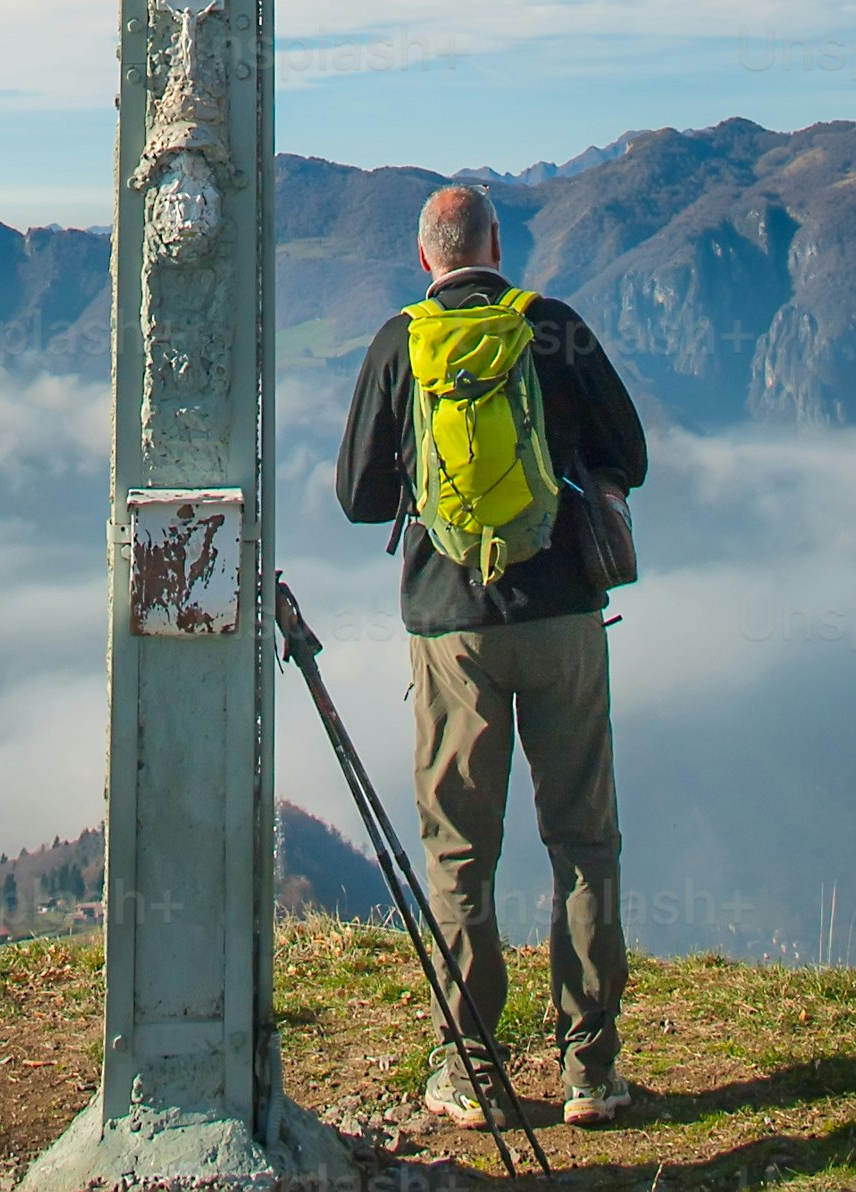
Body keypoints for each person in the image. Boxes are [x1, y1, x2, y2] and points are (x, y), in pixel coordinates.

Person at [334, 179, 649, 1129]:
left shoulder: (400, 341)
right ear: (498, 248)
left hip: (450, 629)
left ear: (424, 256)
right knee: (582, 840)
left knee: (462, 851)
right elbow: (627, 455)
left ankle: (470, 1069)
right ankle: (588, 1070)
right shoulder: (551, 329)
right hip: (559, 618)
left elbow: (357, 495)